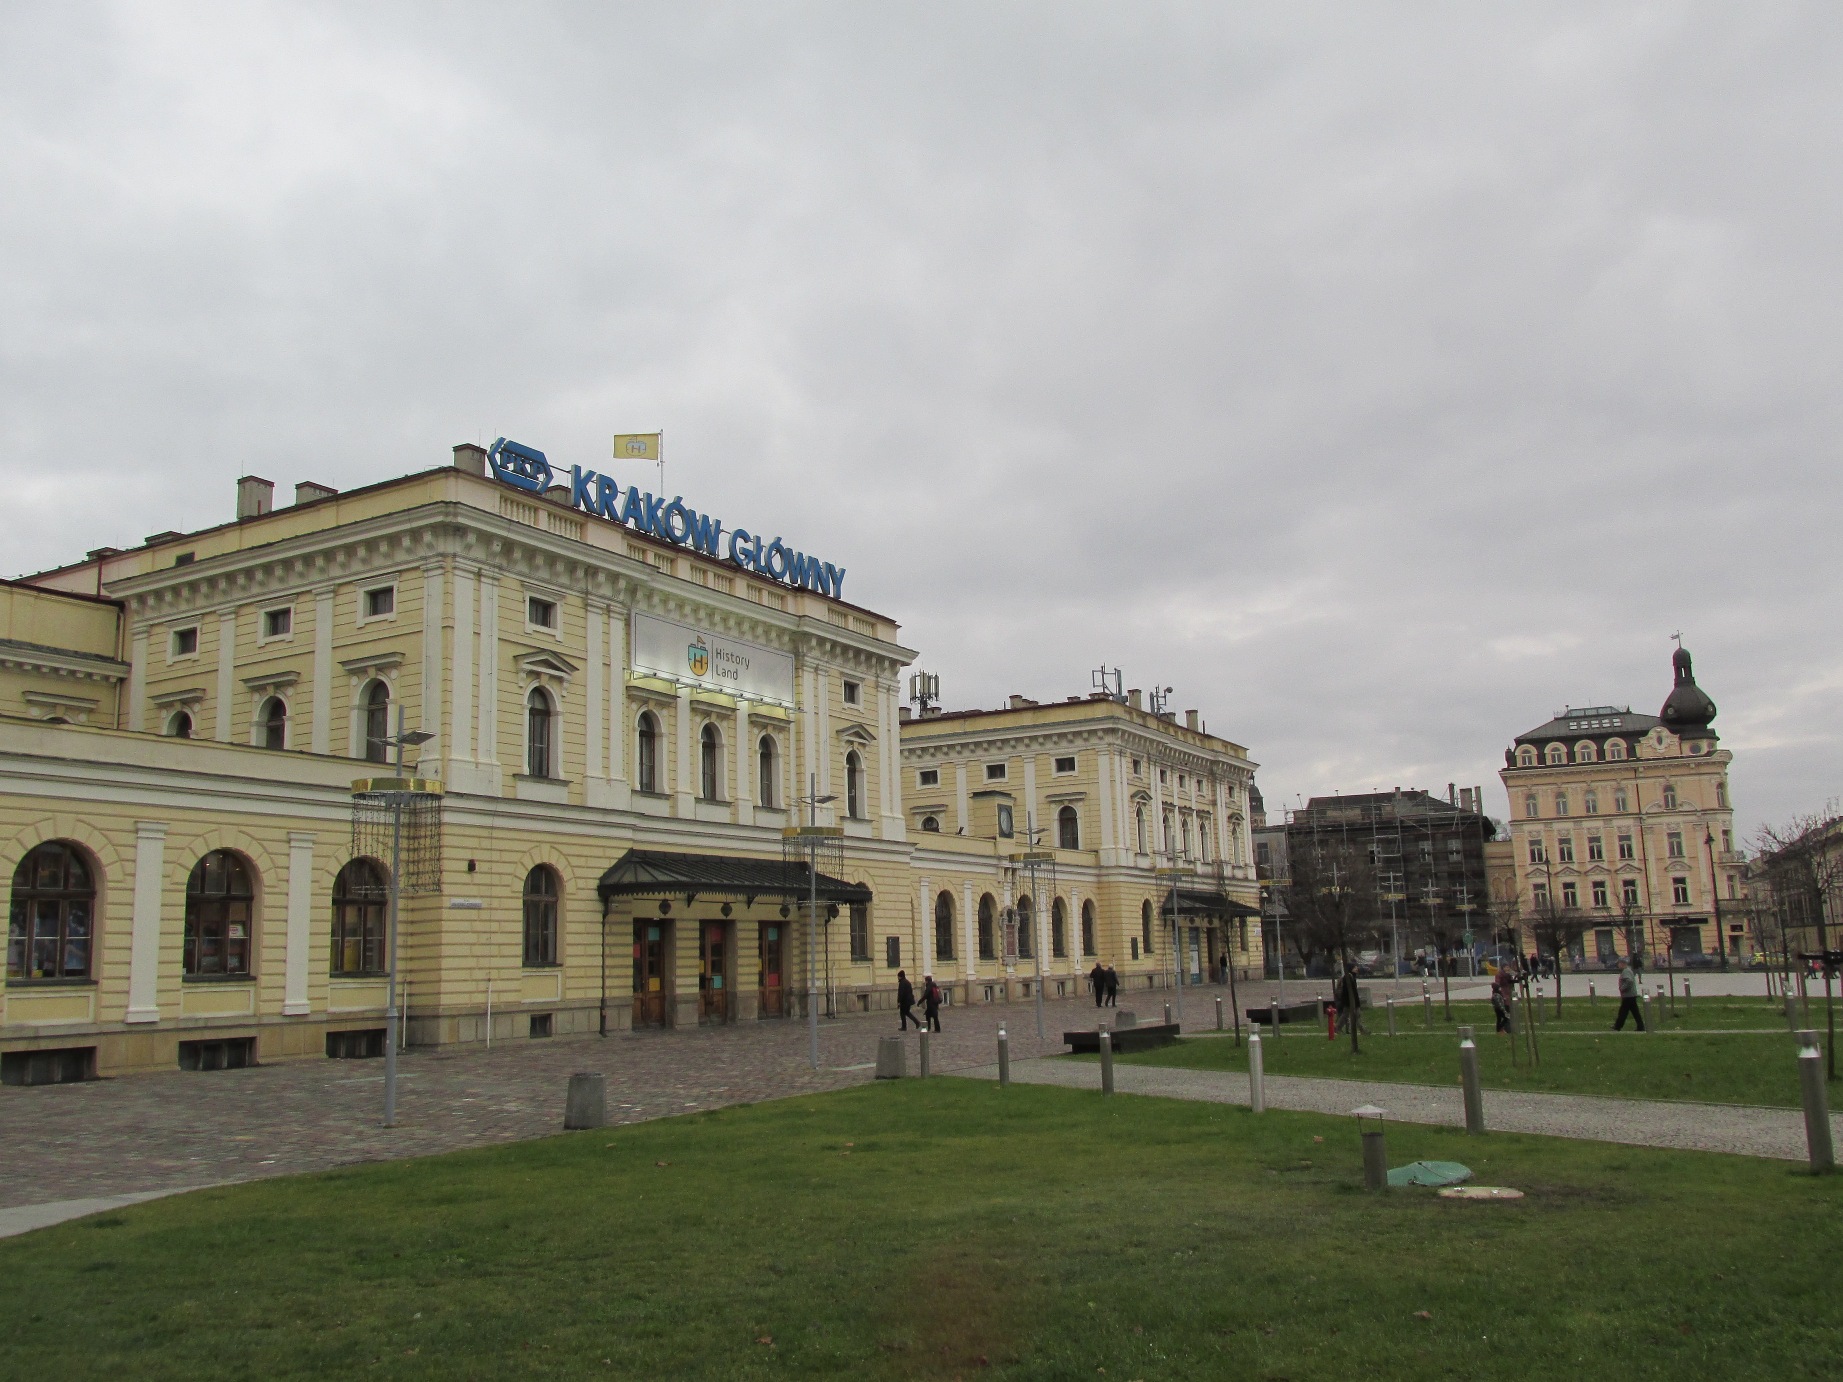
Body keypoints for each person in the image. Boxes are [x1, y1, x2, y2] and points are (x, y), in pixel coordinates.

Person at [1613, 958, 1645, 1031]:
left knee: (1623, 1012)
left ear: (1622, 964)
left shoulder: (1626, 971)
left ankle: (1617, 1026)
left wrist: (1622, 988)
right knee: (1635, 1012)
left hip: (1628, 996)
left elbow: (1629, 981)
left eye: (1618, 964)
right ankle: (1640, 1026)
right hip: (1631, 995)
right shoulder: (1628, 970)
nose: (1618, 965)